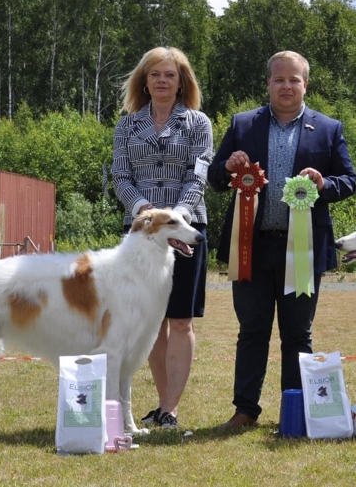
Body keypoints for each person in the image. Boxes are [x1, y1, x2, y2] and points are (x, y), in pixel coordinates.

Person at [208, 51, 356, 429]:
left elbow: (350, 181)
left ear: (306, 84)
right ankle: (245, 411)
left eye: (294, 80)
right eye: (279, 79)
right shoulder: (243, 125)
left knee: (297, 334)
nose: (286, 86)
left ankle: (295, 411)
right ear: (268, 83)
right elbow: (214, 176)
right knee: (252, 332)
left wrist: (325, 184)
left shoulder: (329, 128)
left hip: (303, 250)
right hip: (250, 248)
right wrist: (226, 168)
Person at [111, 46, 213, 429]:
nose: (162, 81)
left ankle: (170, 408)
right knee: (150, 322)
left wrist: (175, 216)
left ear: (182, 81)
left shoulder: (198, 123)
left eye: (169, 74)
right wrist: (143, 210)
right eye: (155, 74)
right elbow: (120, 177)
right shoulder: (127, 125)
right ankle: (159, 403)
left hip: (186, 226)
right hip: (140, 232)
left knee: (181, 320)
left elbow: (198, 175)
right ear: (144, 81)